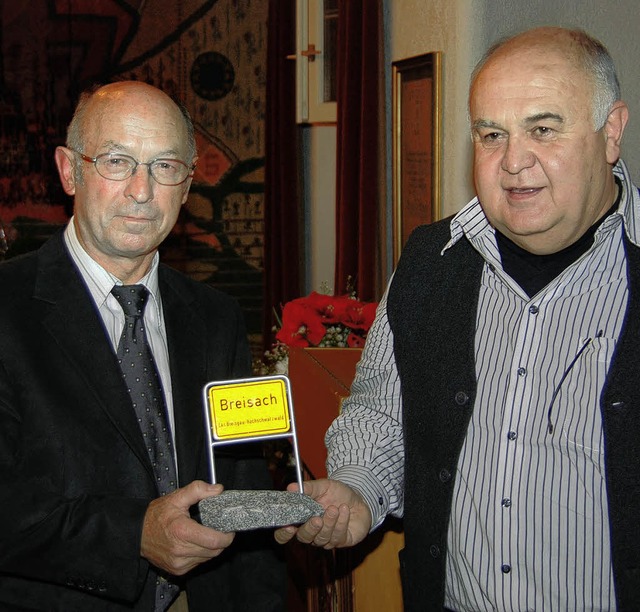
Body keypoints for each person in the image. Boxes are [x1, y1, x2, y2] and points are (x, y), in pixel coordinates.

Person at [275, 26, 640, 611]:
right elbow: (380, 409)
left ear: (611, 131)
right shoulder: (430, 262)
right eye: (491, 134)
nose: (514, 162)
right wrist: (356, 489)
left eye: (543, 129)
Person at [0, 81, 285, 611]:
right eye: (116, 161)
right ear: (69, 171)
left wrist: (281, 513)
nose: (141, 190)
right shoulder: (8, 310)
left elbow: (242, 482)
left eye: (165, 166)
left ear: (188, 182)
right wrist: (134, 534)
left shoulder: (216, 318)